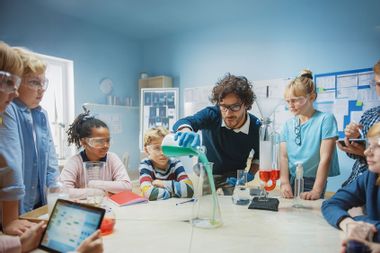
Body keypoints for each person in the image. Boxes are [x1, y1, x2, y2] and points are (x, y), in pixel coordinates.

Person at [0, 46, 59, 235]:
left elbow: (50, 156)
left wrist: (55, 193)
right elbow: (10, 163)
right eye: (34, 82)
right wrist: (10, 219)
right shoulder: (8, 108)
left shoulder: (41, 114)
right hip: (12, 208)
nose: (41, 90)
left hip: (37, 203)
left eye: (43, 83)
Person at [172, 73, 260, 193]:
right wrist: (186, 131)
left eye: (235, 107)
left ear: (246, 105)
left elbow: (258, 157)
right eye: (223, 106)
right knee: (206, 204)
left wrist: (249, 175)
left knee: (234, 206)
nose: (228, 113)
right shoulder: (212, 114)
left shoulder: (255, 126)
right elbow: (186, 121)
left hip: (234, 176)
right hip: (209, 171)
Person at [280, 70, 340, 200]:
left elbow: (326, 158)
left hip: (314, 182)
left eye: (295, 100)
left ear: (312, 97)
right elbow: (283, 157)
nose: (291, 105)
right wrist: (284, 183)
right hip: (291, 179)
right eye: (288, 101)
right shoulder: (287, 125)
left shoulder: (325, 119)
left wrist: (316, 190)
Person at [322, 122, 380, 249]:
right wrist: (348, 223)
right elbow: (331, 203)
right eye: (369, 145)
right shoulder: (371, 176)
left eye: (377, 146)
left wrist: (361, 221)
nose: (366, 152)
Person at [60, 110, 132, 198]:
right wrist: (98, 193)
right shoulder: (75, 162)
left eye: (108, 140)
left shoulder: (112, 158)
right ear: (84, 142)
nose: (106, 146)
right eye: (99, 141)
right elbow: (63, 192)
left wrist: (94, 184)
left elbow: (127, 187)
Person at [337, 60, 380, 187]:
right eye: (378, 84)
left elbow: (363, 153)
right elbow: (353, 154)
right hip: (353, 183)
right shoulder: (370, 114)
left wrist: (364, 152)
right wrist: (354, 137)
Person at [139, 126, 194, 200]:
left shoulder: (175, 163)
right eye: (157, 148)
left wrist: (162, 184)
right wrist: (175, 191)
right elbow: (148, 193)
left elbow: (189, 190)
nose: (162, 153)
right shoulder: (146, 165)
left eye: (166, 147)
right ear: (146, 150)